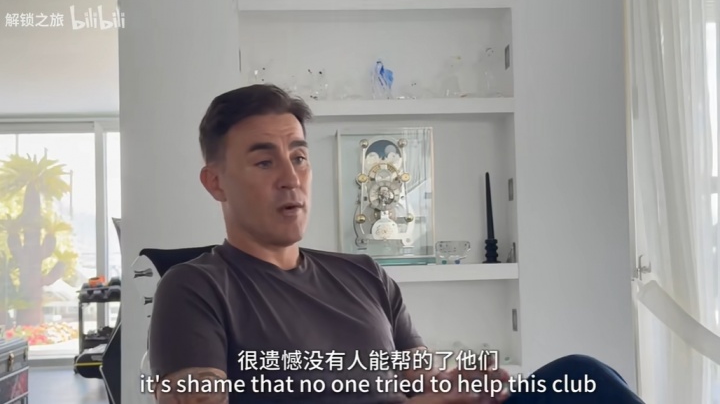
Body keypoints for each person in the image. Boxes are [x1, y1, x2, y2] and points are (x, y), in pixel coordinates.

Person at [148, 84, 645, 404]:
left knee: (585, 378)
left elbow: (418, 380)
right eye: (264, 162)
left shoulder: (364, 274)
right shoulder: (194, 288)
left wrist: (455, 386)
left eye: (299, 157)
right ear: (215, 182)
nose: (290, 178)